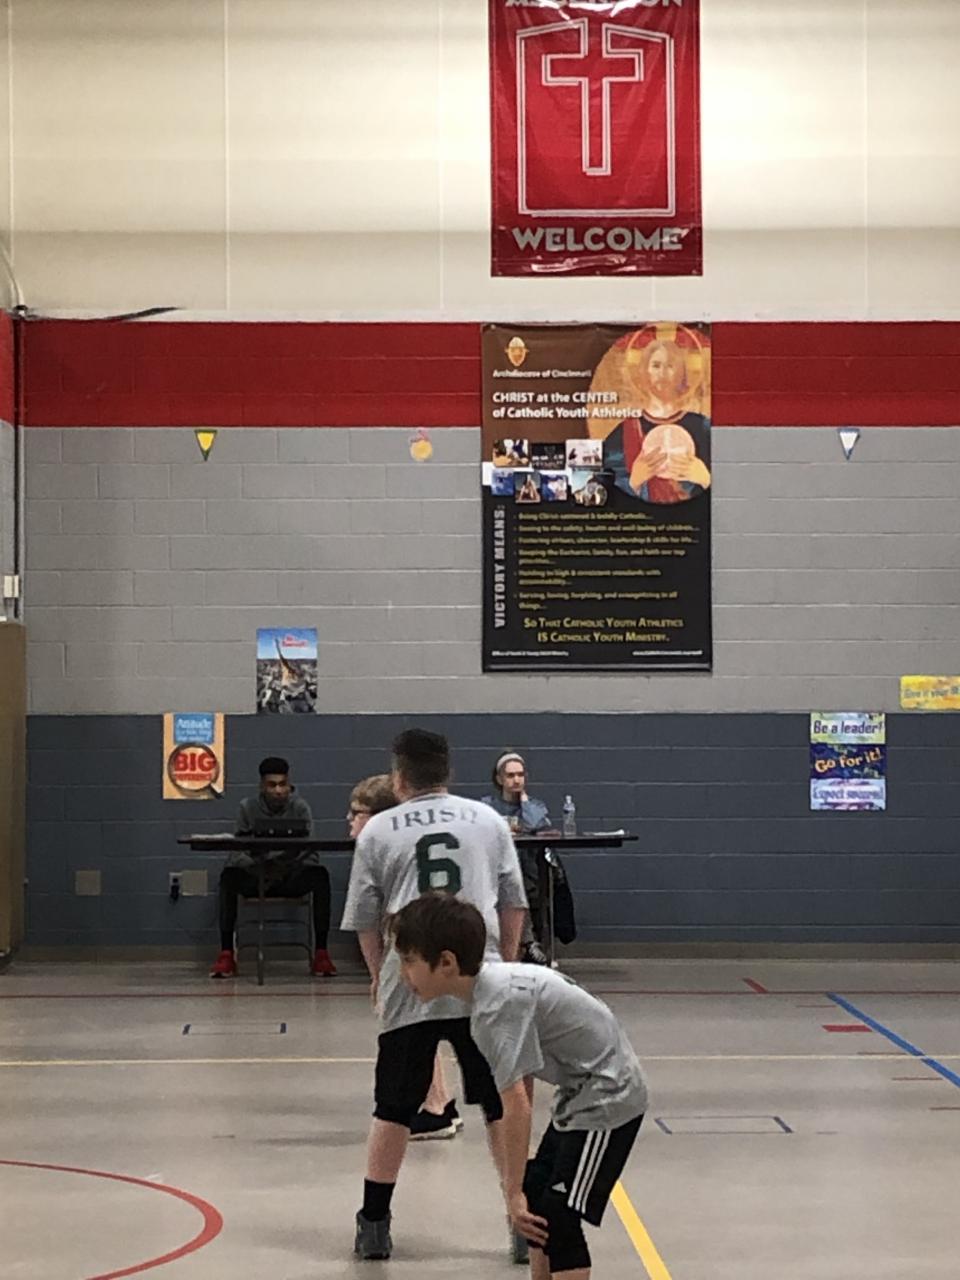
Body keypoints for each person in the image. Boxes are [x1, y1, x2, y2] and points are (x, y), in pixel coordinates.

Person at [341, 728, 528, 1261]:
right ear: (448, 773)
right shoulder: (488, 821)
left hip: (412, 978)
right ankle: (519, 1218)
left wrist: (380, 975)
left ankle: (374, 1223)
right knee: (499, 1103)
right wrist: (505, 963)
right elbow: (513, 903)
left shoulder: (379, 830)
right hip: (478, 975)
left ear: (399, 778)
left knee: (393, 1107)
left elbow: (364, 920)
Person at [394, 894, 648, 1280]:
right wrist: (520, 1189)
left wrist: (511, 1193)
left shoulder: (497, 1007)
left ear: (446, 963)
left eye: (409, 961)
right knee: (538, 1198)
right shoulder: (490, 992)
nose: (403, 974)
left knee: (558, 1215)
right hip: (578, 1095)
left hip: (610, 1097)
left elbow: (516, 1106)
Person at [347, 772, 462, 1142]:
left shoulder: (379, 846)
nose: (350, 820)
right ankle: (440, 1102)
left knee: (409, 1027)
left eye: (357, 813)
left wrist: (378, 975)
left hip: (418, 946)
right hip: (435, 939)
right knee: (423, 1022)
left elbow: (365, 918)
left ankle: (435, 1109)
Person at [209, 756, 336, 979]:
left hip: (289, 876)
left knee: (320, 875)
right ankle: (226, 953)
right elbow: (237, 852)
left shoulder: (300, 807)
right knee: (229, 876)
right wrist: (259, 867)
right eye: (272, 785)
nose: (278, 790)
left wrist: (283, 866)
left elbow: (311, 851)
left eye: (282, 784)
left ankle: (321, 953)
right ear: (262, 786)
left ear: (289, 784)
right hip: (257, 875)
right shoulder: (247, 808)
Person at [483, 751, 573, 966]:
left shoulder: (535, 806)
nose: (516, 780)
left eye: (520, 775)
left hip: (531, 867)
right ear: (499, 779)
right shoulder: (488, 806)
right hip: (497, 870)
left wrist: (524, 800)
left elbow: (534, 824)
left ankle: (532, 944)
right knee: (512, 884)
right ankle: (527, 943)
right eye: (510, 775)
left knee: (527, 884)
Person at [602, 337, 711, 504]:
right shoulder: (626, 431)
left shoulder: (703, 426)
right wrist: (634, 481)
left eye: (670, 366)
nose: (663, 373)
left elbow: (735, 482)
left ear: (682, 374)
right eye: (656, 365)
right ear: (644, 372)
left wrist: (705, 478)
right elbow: (605, 486)